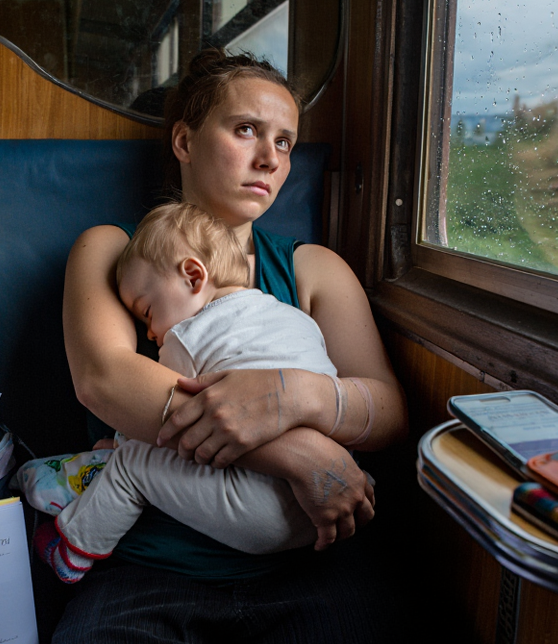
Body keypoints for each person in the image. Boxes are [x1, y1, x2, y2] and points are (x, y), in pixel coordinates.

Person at [47, 48, 409, 644]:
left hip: (306, 560)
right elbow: (107, 380)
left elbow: (388, 410)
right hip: (152, 570)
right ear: (184, 140)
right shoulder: (113, 251)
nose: (270, 158)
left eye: (285, 142)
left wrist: (296, 394)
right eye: (246, 130)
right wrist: (301, 454)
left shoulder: (311, 269)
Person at [37, 201, 360, 583]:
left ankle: (74, 547)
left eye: (147, 311)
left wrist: (121, 443)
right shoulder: (298, 319)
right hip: (333, 502)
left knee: (129, 465)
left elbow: (162, 423)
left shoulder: (187, 339)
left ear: (193, 276)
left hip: (262, 515)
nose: (151, 333)